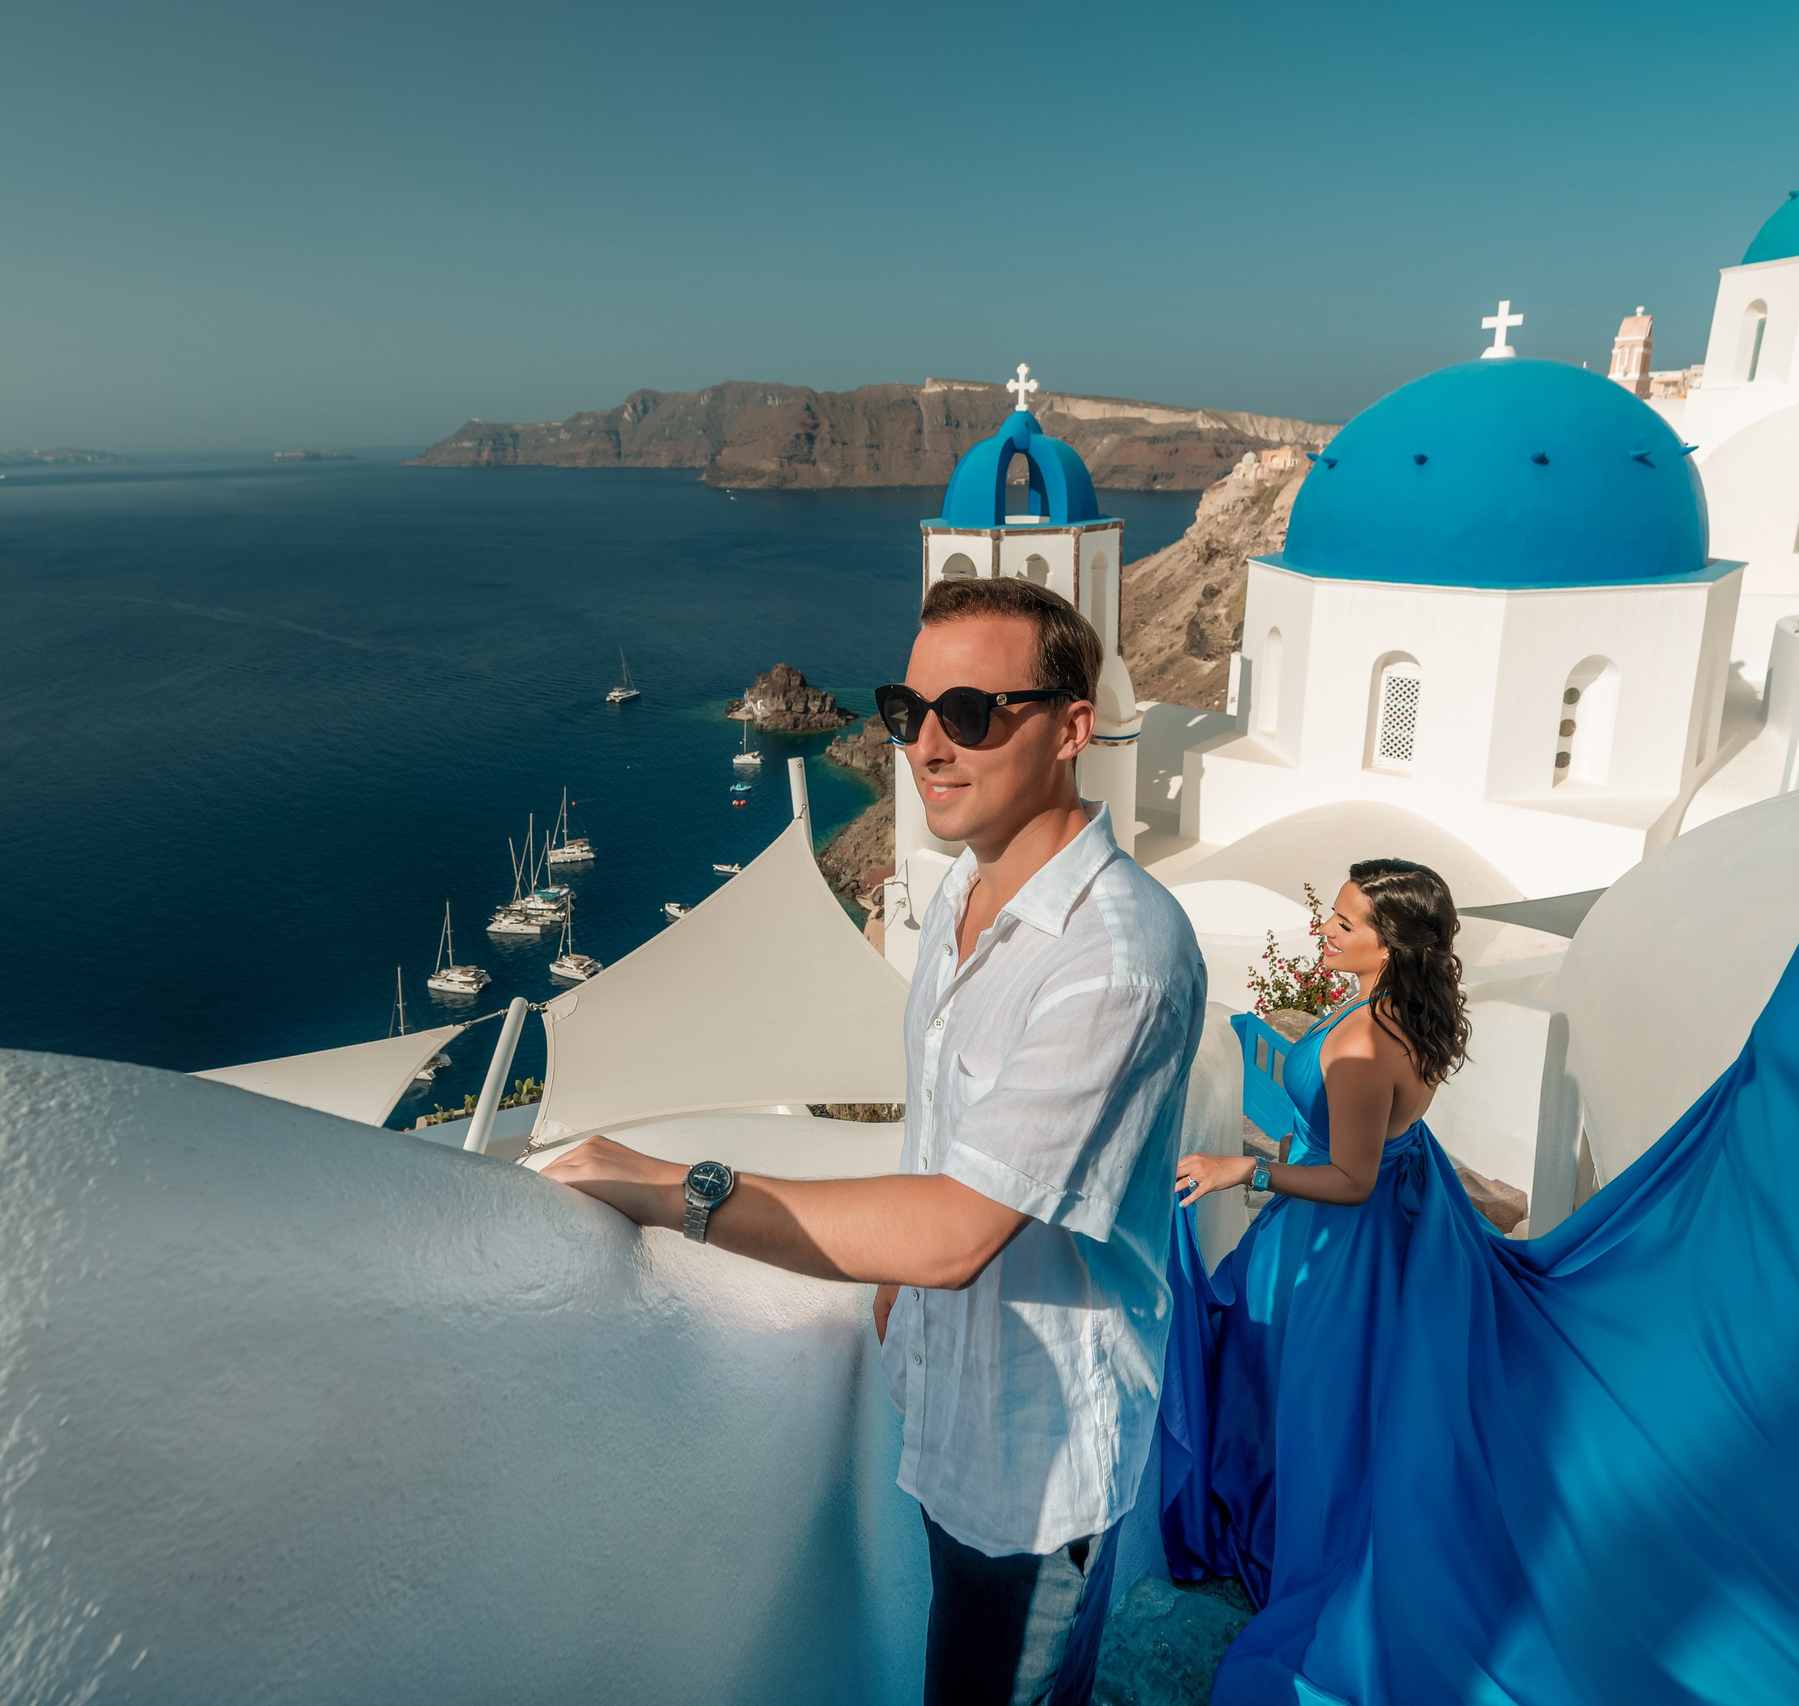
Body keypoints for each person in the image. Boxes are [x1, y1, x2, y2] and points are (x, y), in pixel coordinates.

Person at [545, 576, 1206, 1706]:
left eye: (972, 712)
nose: (926, 745)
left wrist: (671, 1187)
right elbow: (947, 1130)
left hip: (1033, 1465)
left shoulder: (1116, 958)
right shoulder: (961, 890)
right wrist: (901, 1283)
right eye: (908, 711)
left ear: (1071, 727)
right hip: (954, 1403)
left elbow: (953, 1234)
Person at [1159, 860, 1472, 1617]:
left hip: (1333, 1247)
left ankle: (1277, 1547)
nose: (1324, 930)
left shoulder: (1366, 1043)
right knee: (1291, 1385)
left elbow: (1353, 1178)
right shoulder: (1396, 1010)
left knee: (1295, 1395)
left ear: (1391, 942)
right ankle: (1268, 1526)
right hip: (1356, 1234)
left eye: (1344, 923)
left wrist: (1248, 1171)